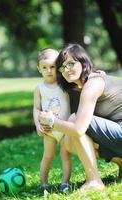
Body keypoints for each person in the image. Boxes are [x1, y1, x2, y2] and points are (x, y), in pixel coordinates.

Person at [39, 44, 122, 191]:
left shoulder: (93, 84)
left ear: (83, 62)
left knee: (75, 122)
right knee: (69, 141)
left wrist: (51, 121)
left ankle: (94, 181)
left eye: (71, 63)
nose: (66, 69)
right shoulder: (87, 84)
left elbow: (78, 129)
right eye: (62, 67)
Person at [33, 48, 71, 192]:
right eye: (44, 67)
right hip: (48, 130)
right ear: (39, 69)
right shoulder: (39, 88)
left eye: (52, 66)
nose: (49, 70)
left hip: (65, 128)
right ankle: (43, 184)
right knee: (47, 157)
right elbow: (36, 108)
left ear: (59, 66)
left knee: (65, 156)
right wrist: (37, 124)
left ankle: (65, 183)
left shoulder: (64, 84)